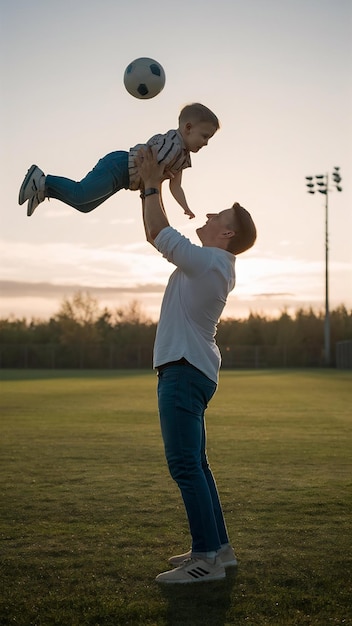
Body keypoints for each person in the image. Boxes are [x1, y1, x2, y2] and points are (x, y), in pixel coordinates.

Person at [136, 146, 257, 584]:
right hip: (193, 371)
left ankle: (205, 560)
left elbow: (157, 232)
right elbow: (163, 232)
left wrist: (151, 182)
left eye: (217, 216)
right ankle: (219, 550)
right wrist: (157, 187)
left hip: (184, 371)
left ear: (226, 235)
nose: (207, 216)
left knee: (185, 466)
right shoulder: (215, 263)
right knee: (197, 465)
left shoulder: (208, 262)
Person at [18, 102, 219, 219]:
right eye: (204, 136)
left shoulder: (183, 156)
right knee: (81, 194)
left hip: (124, 179)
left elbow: (176, 185)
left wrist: (185, 207)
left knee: (84, 206)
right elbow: (154, 173)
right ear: (188, 128)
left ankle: (45, 191)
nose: (207, 143)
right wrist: (151, 198)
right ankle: (42, 179)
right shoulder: (173, 143)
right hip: (118, 166)